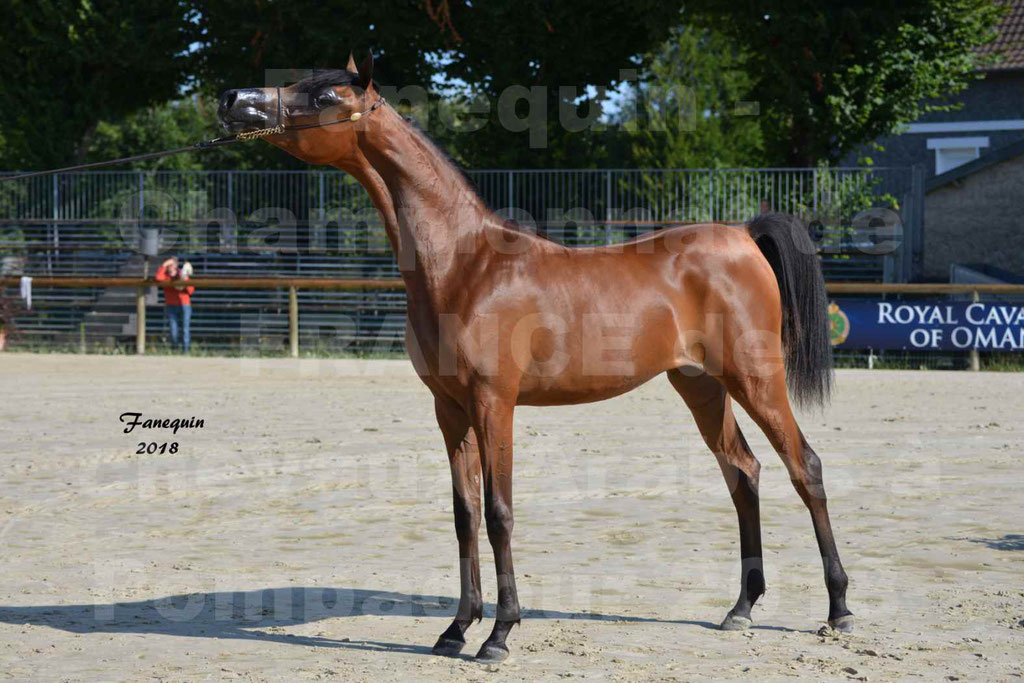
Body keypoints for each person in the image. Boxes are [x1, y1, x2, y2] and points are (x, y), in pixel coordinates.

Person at [154, 257, 195, 352]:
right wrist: (164, 264)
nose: (169, 267)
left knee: (185, 328)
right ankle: (175, 349)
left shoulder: (182, 274)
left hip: (184, 305)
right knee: (173, 330)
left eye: (171, 265)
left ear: (176, 266)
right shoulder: (165, 277)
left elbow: (191, 291)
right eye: (168, 265)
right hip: (171, 305)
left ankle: (186, 350)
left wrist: (185, 281)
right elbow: (158, 278)